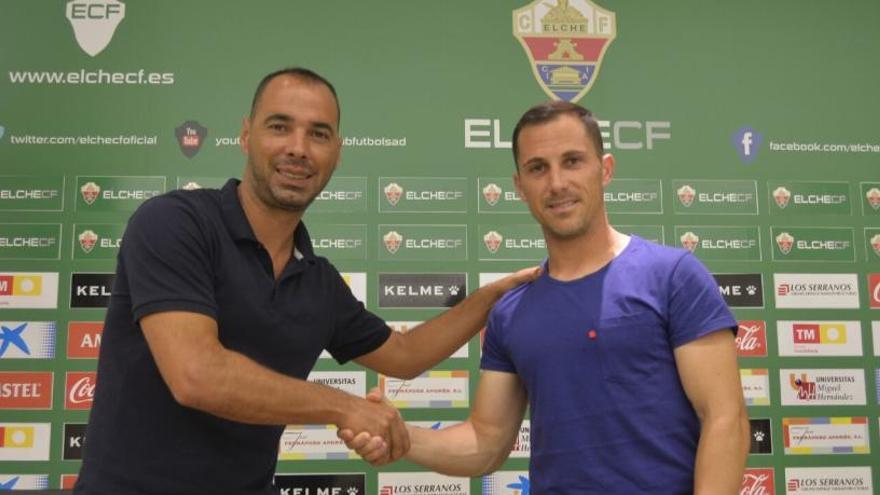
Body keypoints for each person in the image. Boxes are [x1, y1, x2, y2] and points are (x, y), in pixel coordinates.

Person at [74, 67, 538, 495]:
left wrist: (492, 295)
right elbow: (196, 375)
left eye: (319, 134)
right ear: (245, 135)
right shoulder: (175, 223)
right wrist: (345, 407)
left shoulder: (318, 282)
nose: (298, 147)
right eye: (280, 126)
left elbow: (405, 355)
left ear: (336, 153)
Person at [341, 101, 751, 494]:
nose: (557, 184)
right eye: (538, 168)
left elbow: (724, 418)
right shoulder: (511, 311)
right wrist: (401, 436)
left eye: (572, 161)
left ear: (604, 169)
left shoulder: (673, 275)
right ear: (520, 186)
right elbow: (486, 442)